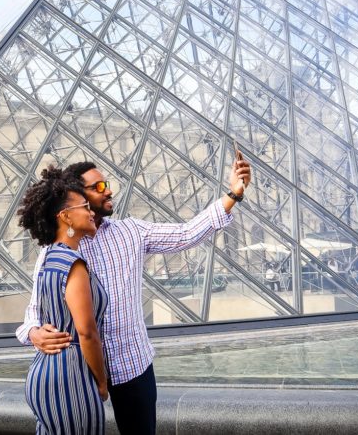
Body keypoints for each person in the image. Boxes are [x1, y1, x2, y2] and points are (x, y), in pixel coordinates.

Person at [17, 153, 250, 435]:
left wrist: (233, 194)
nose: (109, 190)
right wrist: (33, 333)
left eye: (107, 184)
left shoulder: (131, 232)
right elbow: (34, 313)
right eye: (98, 187)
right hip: (82, 372)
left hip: (132, 363)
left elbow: (187, 234)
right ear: (77, 197)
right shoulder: (57, 252)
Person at [18, 166, 108, 434]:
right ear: (66, 217)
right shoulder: (73, 263)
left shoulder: (50, 259)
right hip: (71, 377)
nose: (91, 211)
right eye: (84, 207)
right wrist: (102, 383)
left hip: (44, 372)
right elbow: (87, 332)